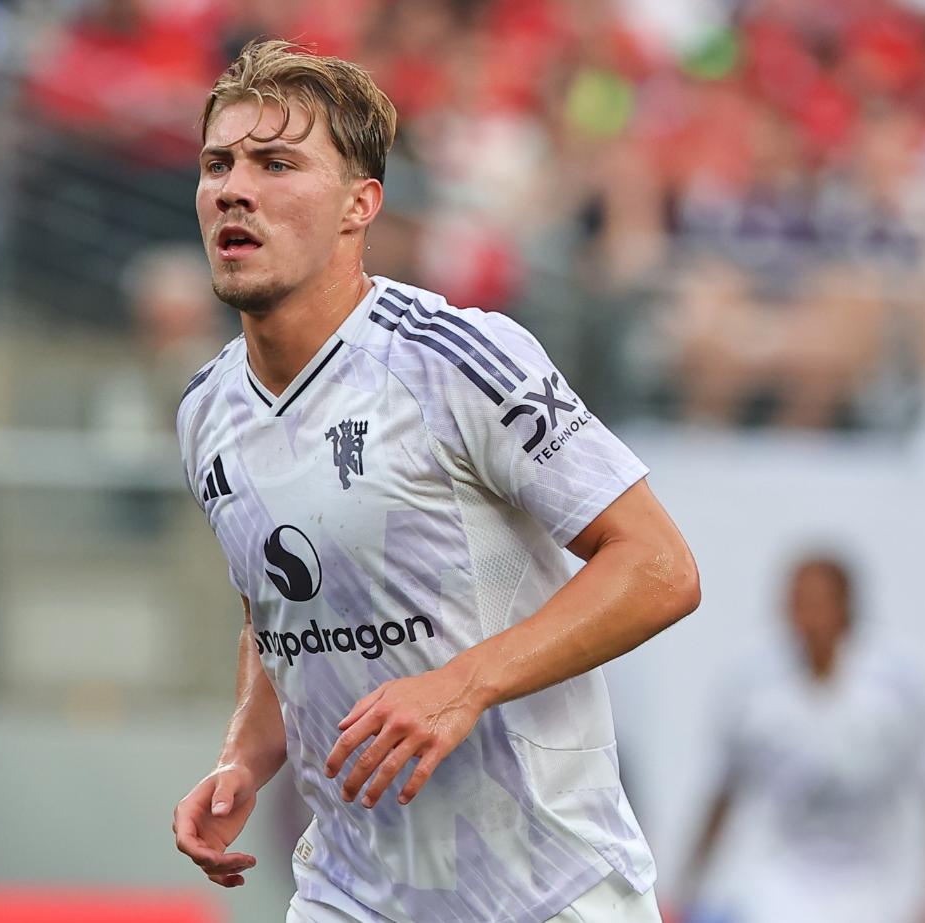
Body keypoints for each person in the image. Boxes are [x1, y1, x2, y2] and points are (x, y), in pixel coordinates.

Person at [171, 40, 701, 923]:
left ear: (360, 204)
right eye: (218, 164)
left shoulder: (454, 358)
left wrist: (464, 682)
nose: (234, 188)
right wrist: (244, 755)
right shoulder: (205, 410)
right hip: (352, 893)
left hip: (548, 889)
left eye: (276, 163)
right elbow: (278, 613)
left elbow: (659, 568)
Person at [673, 555, 925, 923]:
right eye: (795, 603)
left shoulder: (901, 680)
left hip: (876, 879)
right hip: (784, 877)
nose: (804, 618)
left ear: (846, 607)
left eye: (816, 603)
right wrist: (687, 889)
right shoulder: (751, 684)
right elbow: (722, 791)